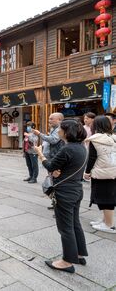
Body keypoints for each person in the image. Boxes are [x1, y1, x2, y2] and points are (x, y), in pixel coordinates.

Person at [34, 119, 88, 273]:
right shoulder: (81, 147)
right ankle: (78, 254)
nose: (58, 131)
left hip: (65, 191)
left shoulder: (67, 149)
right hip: (76, 189)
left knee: (65, 227)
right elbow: (67, 167)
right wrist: (58, 171)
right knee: (75, 223)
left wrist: (39, 153)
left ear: (67, 132)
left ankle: (67, 261)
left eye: (61, 128)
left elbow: (50, 166)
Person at [84, 116, 116, 233]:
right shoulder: (113, 137)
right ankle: (105, 221)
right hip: (113, 171)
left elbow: (91, 158)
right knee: (107, 197)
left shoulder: (95, 139)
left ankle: (109, 225)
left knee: (105, 199)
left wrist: (87, 172)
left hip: (102, 173)